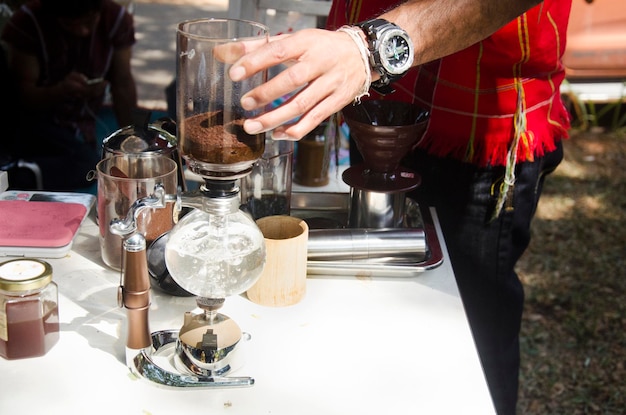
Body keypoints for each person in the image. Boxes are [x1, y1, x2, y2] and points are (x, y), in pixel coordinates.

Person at [219, 1, 572, 414]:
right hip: (373, 91)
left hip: (475, 127)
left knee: (472, 336)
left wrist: (367, 48)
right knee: (373, 309)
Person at [1, 0, 137, 191]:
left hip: (80, 129)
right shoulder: (28, 22)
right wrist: (59, 91)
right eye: (70, 25)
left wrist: (133, 138)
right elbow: (24, 96)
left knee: (98, 160)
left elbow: (122, 83)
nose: (82, 31)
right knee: (90, 166)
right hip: (34, 123)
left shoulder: (115, 19)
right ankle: (17, 174)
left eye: (89, 22)